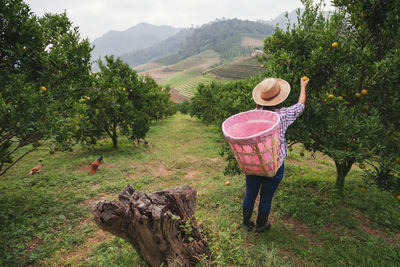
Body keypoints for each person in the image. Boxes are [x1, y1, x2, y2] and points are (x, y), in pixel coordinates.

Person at [242, 77, 308, 232]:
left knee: (250, 193)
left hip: (254, 162)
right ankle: (261, 225)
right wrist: (303, 86)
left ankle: (246, 224)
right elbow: (300, 106)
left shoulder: (251, 115)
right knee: (266, 196)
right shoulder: (283, 115)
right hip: (274, 164)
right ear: (279, 98)